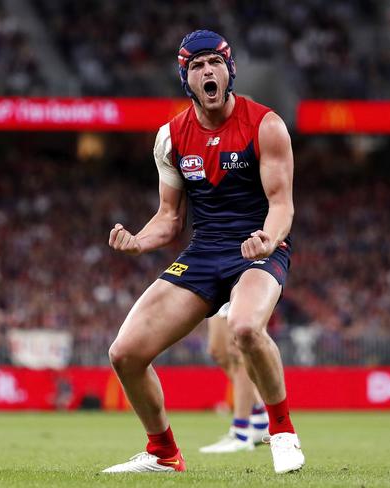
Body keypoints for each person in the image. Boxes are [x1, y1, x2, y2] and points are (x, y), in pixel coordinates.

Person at [102, 30, 304, 474]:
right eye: (196, 66)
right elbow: (169, 219)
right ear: (185, 77)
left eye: (215, 62)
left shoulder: (265, 124)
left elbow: (282, 205)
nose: (207, 71)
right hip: (203, 253)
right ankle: (163, 453)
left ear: (229, 70)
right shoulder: (171, 137)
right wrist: (138, 240)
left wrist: (267, 240)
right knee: (125, 353)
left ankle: (283, 432)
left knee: (246, 327)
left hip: (257, 249)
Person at [199, 302, 269, 453]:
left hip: (237, 283)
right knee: (217, 351)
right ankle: (260, 420)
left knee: (237, 351)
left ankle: (240, 433)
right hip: (216, 281)